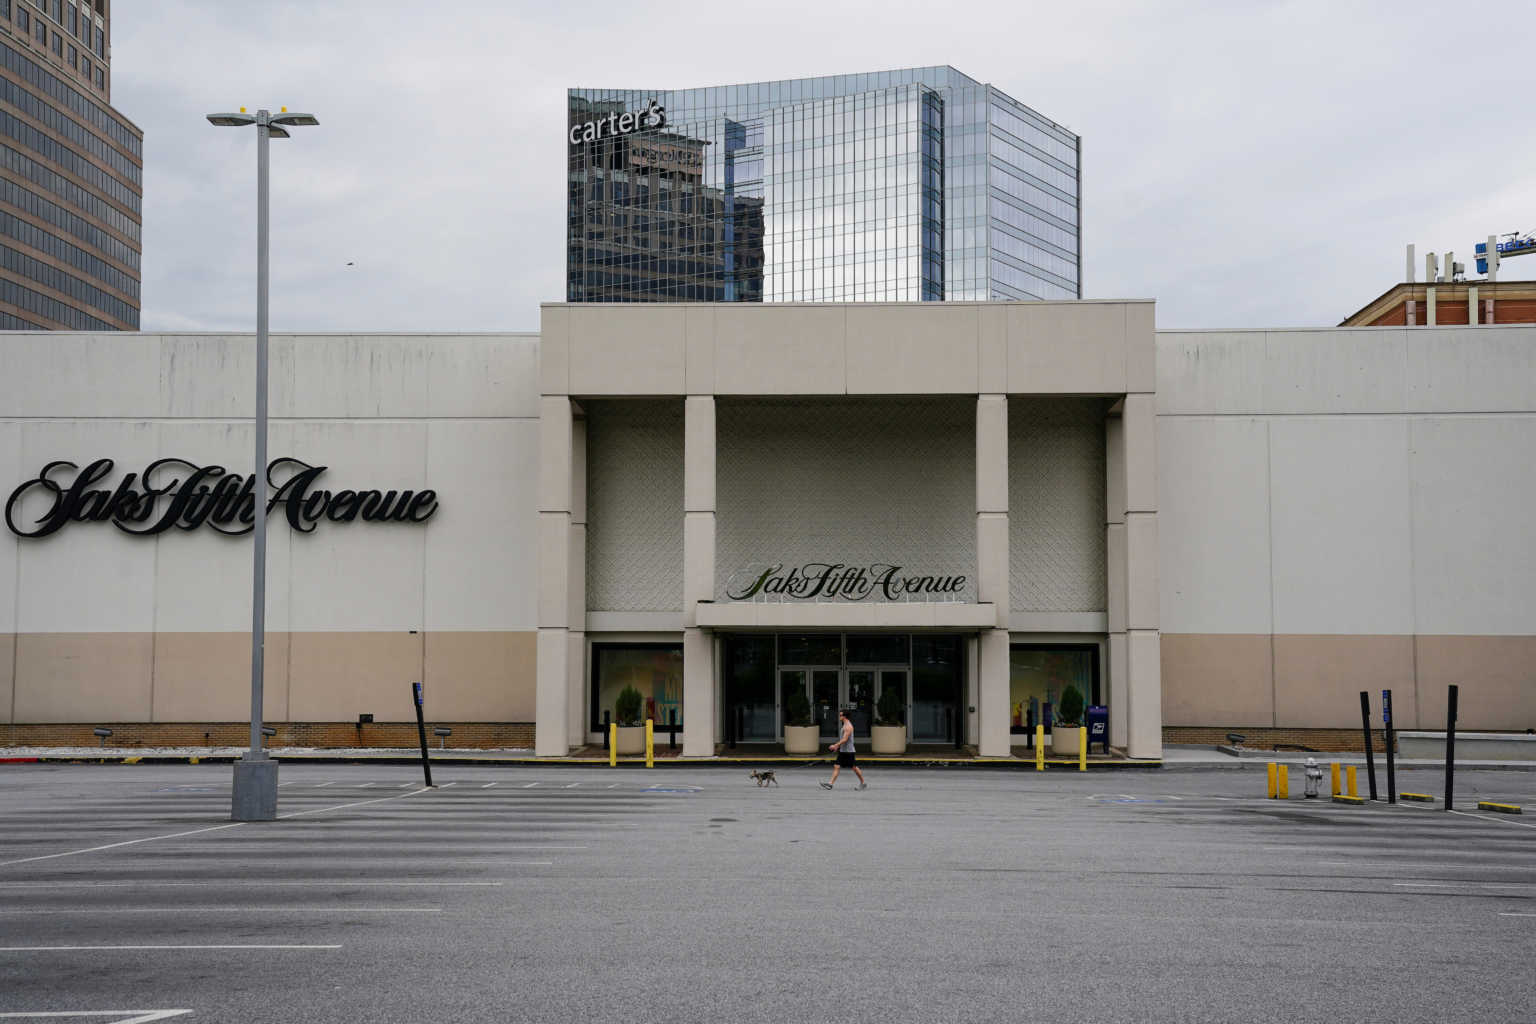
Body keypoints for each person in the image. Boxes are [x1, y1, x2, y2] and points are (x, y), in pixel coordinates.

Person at [821, 707, 867, 790]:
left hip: (849, 751)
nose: (839, 716)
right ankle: (830, 784)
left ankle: (863, 783)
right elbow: (843, 739)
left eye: (841, 715)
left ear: (845, 716)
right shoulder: (844, 725)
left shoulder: (848, 726)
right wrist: (838, 747)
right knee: (836, 766)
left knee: (854, 768)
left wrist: (835, 745)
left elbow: (845, 739)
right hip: (843, 751)